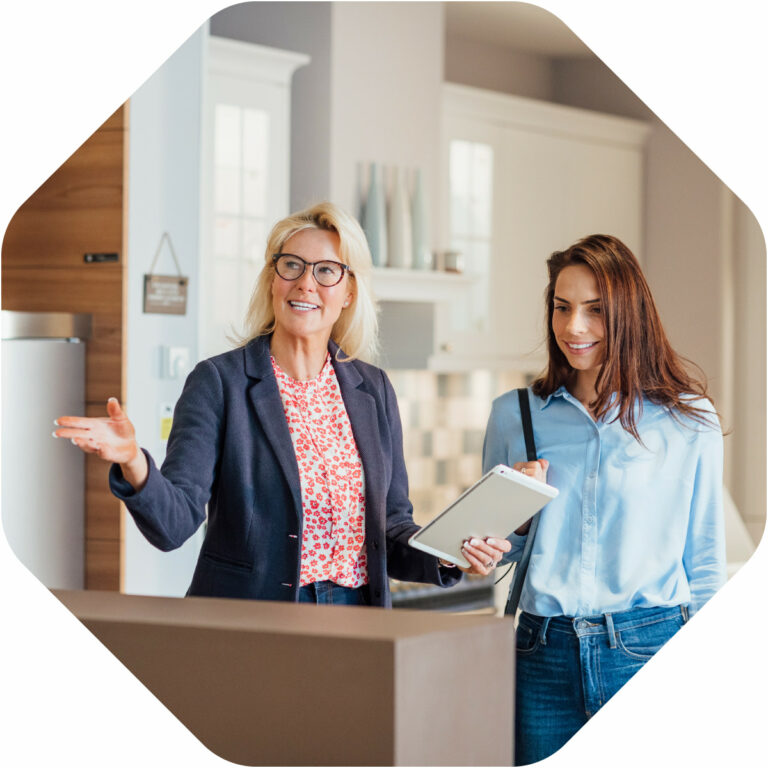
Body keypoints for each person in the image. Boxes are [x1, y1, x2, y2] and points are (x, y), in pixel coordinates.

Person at [55, 202, 508, 606]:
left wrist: (454, 555)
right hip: (256, 623)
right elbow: (174, 526)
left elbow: (391, 529)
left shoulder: (374, 390)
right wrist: (134, 461)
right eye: (292, 265)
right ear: (273, 279)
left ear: (349, 292)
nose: (306, 283)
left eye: (327, 270)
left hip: (359, 620)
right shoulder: (219, 382)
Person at [483, 234, 726, 765]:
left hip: (650, 646)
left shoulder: (689, 420)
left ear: (629, 315)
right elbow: (497, 552)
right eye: (562, 308)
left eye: (595, 311)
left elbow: (705, 563)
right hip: (541, 655)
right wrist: (515, 524)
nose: (574, 327)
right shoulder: (515, 415)